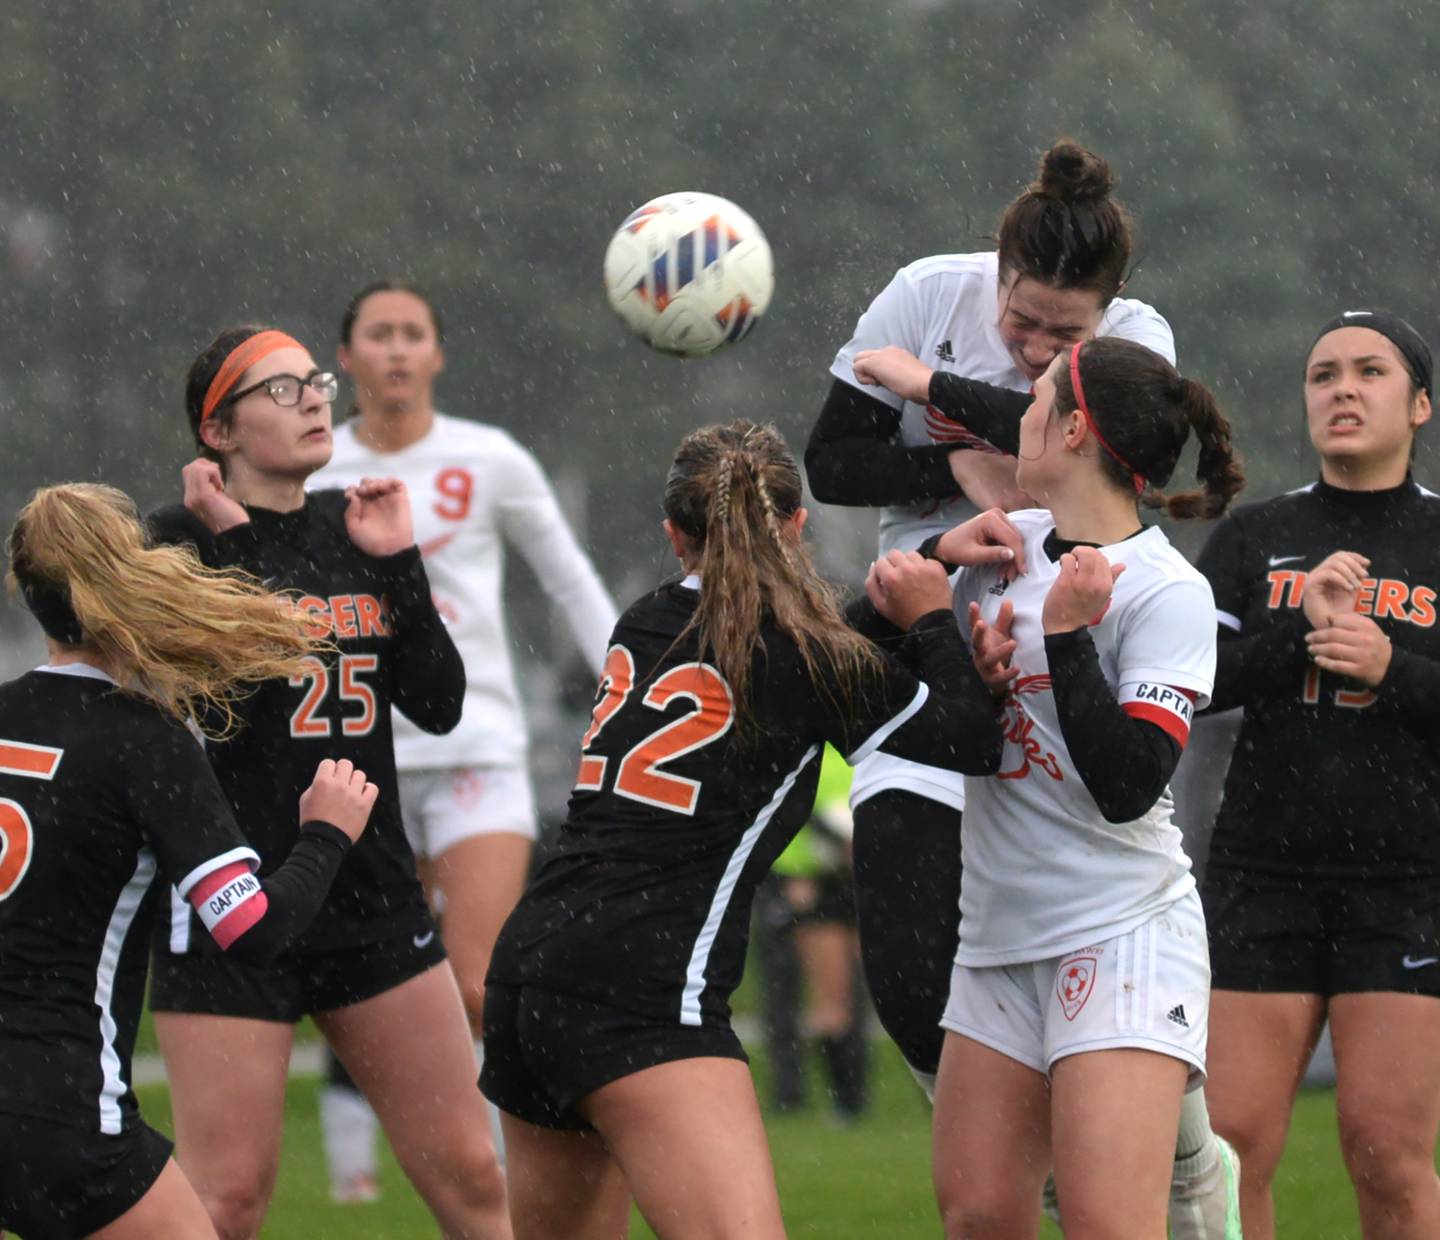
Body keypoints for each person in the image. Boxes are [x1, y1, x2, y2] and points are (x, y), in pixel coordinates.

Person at [806, 138, 1241, 1236]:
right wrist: (954, 489)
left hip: (1111, 907)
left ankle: (1164, 1144)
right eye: (1022, 324)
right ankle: (1068, 1133)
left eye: (1063, 343)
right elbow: (835, 464)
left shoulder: (1138, 565)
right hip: (935, 633)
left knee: (1107, 1211)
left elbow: (1125, 781)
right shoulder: (928, 301)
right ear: (994, 271)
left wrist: (932, 395)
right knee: (910, 983)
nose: (1036, 353)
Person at [480, 419, 1014, 1240]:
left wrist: (925, 563)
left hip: (531, 969)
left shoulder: (644, 619)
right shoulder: (804, 656)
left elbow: (789, 659)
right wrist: (934, 619)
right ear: (797, 525)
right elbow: (970, 738)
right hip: (643, 988)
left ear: (673, 536)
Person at [146, 326, 511, 1240]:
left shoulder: (356, 518)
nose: (314, 397)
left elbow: (440, 703)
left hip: (367, 891)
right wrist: (232, 549)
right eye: (279, 390)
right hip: (231, 893)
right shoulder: (170, 541)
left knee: (472, 1176)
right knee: (227, 1199)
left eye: (313, 380)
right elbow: (224, 685)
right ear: (218, 433)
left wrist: (399, 564)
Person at [920, 336, 1244, 1236]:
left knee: (1107, 1224)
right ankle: (1190, 1164)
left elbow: (1128, 784)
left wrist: (1066, 638)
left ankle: (1193, 1183)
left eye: (1034, 402)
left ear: (1072, 429)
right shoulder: (1000, 548)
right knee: (981, 1217)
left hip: (1121, 930)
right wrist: (967, 673)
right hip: (995, 934)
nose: (1017, 416)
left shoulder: (1165, 590)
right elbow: (960, 738)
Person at [0, 482, 378, 1239]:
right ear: (134, 580)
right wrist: (326, 835)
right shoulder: (144, 741)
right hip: (58, 1107)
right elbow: (251, 928)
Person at [310, 281, 617, 1199]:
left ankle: (503, 1177)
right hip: (359, 760)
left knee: (481, 982)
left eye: (414, 335)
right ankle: (361, 1165)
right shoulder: (317, 472)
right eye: (379, 335)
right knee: (370, 983)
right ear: (349, 357)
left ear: (438, 355)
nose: (398, 351)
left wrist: (626, 685)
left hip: (478, 745)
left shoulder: (489, 459)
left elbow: (568, 579)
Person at [1197, 310, 1440, 1239]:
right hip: (1264, 876)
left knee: (1386, 1153)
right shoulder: (1256, 538)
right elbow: (1189, 687)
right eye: (1324, 374)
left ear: (1418, 404)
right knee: (1227, 1146)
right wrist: (1297, 633)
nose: (1342, 389)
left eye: (1370, 372)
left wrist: (1394, 671)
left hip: (1407, 883)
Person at [752, 744, 869, 1121]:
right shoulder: (808, 752)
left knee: (850, 996)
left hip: (845, 881)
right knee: (814, 995)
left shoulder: (854, 754)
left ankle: (849, 1098)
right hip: (807, 883)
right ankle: (835, 1099)